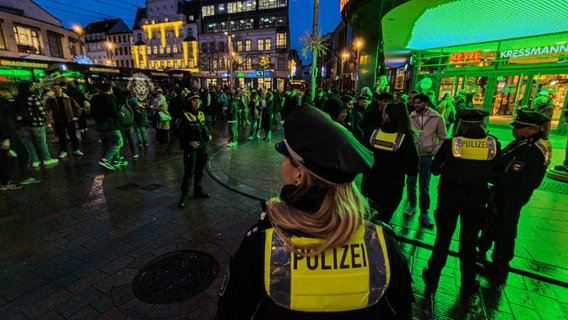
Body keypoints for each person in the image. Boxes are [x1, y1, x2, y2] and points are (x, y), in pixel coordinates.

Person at [216, 105, 414, 319]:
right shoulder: (384, 246)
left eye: (286, 159)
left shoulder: (261, 245)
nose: (282, 166)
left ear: (299, 175)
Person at [422, 109, 500, 299]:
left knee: (443, 238)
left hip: (449, 198)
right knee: (469, 241)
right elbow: (495, 174)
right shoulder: (492, 144)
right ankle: (467, 283)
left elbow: (435, 169)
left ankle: (432, 276)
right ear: (482, 124)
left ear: (461, 124)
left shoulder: (452, 143)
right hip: (476, 200)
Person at [477, 110, 551, 278]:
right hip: (511, 194)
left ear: (533, 128)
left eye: (519, 127)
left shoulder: (530, 149)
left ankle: (499, 267)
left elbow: (509, 176)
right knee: (498, 226)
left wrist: (489, 176)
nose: (514, 130)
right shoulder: (527, 142)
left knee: (504, 229)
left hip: (510, 195)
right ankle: (494, 260)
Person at [367, 102, 419, 224]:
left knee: (371, 218)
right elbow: (412, 169)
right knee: (384, 220)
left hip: (372, 183)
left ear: (387, 117)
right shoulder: (404, 139)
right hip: (392, 187)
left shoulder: (373, 135)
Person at [403, 93, 447, 229]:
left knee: (424, 185)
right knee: (410, 182)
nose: (415, 105)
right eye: (414, 103)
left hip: (426, 156)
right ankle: (412, 205)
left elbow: (443, 137)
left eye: (418, 103)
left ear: (426, 103)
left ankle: (424, 212)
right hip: (412, 155)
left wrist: (434, 151)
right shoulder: (411, 117)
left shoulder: (437, 118)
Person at [176, 94, 211, 208]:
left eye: (199, 101)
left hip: (202, 146)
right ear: (189, 102)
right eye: (194, 101)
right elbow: (177, 132)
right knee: (189, 171)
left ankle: (198, 191)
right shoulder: (184, 115)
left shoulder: (202, 114)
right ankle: (184, 196)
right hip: (191, 148)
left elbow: (207, 127)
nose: (197, 103)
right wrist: (188, 142)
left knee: (200, 170)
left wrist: (208, 135)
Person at [14, 81, 58, 168]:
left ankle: (35, 161)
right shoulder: (33, 97)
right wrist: (44, 118)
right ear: (30, 88)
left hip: (24, 124)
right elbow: (41, 110)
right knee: (41, 142)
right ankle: (46, 159)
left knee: (29, 143)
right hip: (37, 123)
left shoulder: (17, 99)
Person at [90, 82, 125, 171]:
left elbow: (92, 112)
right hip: (111, 123)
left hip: (101, 124)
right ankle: (107, 159)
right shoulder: (109, 97)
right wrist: (121, 114)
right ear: (110, 89)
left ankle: (116, 161)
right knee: (119, 142)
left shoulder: (95, 98)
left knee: (114, 142)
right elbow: (113, 111)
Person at [44, 84, 83, 159]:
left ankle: (76, 149)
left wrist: (76, 117)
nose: (56, 90)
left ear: (61, 89)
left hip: (69, 119)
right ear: (52, 90)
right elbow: (47, 108)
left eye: (58, 88)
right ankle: (63, 150)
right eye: (54, 88)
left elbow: (77, 107)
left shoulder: (68, 98)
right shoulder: (51, 99)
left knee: (73, 135)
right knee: (61, 137)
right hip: (58, 120)